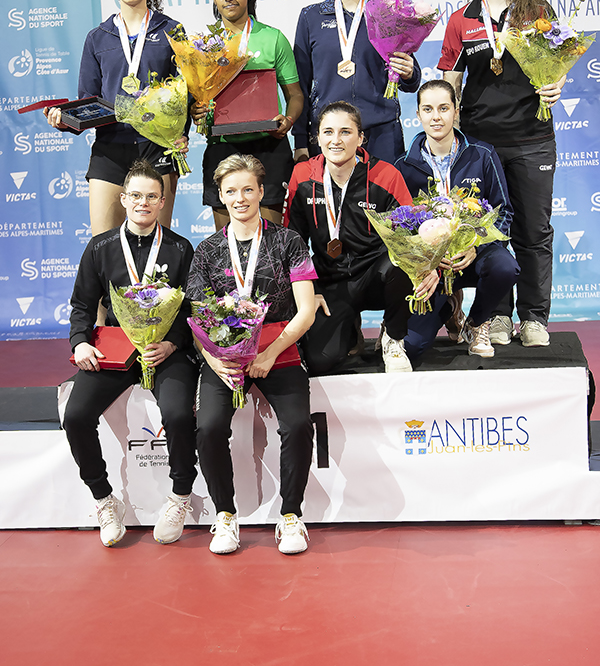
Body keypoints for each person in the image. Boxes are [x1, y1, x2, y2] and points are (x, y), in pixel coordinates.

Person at [439, 0, 564, 348]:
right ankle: (495, 316)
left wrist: (556, 84)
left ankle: (533, 318)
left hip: (532, 138)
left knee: (533, 231)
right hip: (481, 147)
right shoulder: (462, 19)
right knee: (490, 234)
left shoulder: (536, 11)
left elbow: (557, 61)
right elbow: (449, 85)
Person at [186, 154, 317, 555]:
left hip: (278, 350)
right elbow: (198, 318)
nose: (240, 198)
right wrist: (215, 361)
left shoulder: (288, 241)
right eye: (231, 191)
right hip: (223, 358)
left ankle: (291, 515)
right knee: (207, 428)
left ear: (262, 191)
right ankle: (224, 515)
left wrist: (269, 354)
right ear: (220, 197)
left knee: (297, 426)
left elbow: (307, 309)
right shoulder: (207, 250)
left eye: (248, 189)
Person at [64, 160, 198, 547]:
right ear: (123, 199)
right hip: (117, 350)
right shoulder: (101, 247)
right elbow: (82, 306)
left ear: (162, 202)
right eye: (136, 195)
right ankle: (105, 500)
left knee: (176, 413)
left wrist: (172, 342)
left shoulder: (179, 248)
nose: (143, 202)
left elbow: (190, 308)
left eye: (152, 197)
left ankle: (180, 496)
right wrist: (80, 342)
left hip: (165, 351)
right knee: (75, 415)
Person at [284, 101, 438, 375]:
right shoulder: (303, 175)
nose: (336, 140)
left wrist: (430, 267)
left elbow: (414, 237)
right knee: (320, 361)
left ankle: (393, 337)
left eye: (345, 132)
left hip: (376, 276)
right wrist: (309, 291)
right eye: (328, 132)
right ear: (317, 137)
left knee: (397, 263)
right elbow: (293, 243)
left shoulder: (386, 175)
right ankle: (349, 328)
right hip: (330, 281)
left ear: (361, 138)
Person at [45, 0, 186, 236]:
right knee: (103, 246)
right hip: (109, 148)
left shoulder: (172, 30)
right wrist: (65, 121)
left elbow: (187, 92)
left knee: (156, 245)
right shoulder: (97, 38)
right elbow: (87, 101)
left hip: (156, 148)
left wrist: (182, 132)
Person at [396, 80, 520, 360]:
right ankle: (451, 310)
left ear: (456, 111)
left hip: (475, 255)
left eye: (443, 108)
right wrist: (426, 258)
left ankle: (477, 323)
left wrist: (476, 245)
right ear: (417, 115)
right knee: (413, 347)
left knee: (505, 267)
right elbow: (398, 228)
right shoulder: (402, 165)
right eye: (428, 109)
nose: (436, 116)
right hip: (433, 268)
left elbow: (504, 211)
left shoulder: (483, 154)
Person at [292, 0, 421, 166]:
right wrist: (300, 141)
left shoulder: (387, 13)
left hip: (381, 131)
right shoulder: (311, 17)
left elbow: (411, 80)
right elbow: (300, 84)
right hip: (330, 135)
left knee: (386, 205)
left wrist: (408, 73)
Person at [193, 0, 303, 230]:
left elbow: (296, 95)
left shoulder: (273, 38)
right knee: (227, 246)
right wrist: (197, 113)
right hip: (223, 148)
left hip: (269, 148)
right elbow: (197, 101)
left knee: (270, 245)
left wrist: (287, 120)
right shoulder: (203, 44)